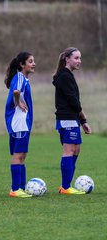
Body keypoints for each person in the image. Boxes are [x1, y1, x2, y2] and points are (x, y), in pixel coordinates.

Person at [52, 47, 92, 195]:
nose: (79, 61)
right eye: (76, 58)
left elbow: (74, 102)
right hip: (66, 119)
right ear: (67, 59)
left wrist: (82, 122)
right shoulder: (64, 76)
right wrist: (84, 119)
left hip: (72, 119)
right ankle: (65, 187)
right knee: (69, 150)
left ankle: (66, 185)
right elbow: (73, 101)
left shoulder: (68, 75)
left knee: (76, 149)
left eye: (80, 58)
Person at [4, 52, 36, 198]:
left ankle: (21, 188)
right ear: (22, 65)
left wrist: (19, 100)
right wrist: (18, 101)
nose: (33, 64)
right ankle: (15, 189)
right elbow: (16, 91)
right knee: (18, 155)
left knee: (22, 155)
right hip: (18, 122)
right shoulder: (19, 77)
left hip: (23, 122)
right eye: (30, 61)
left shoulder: (24, 79)